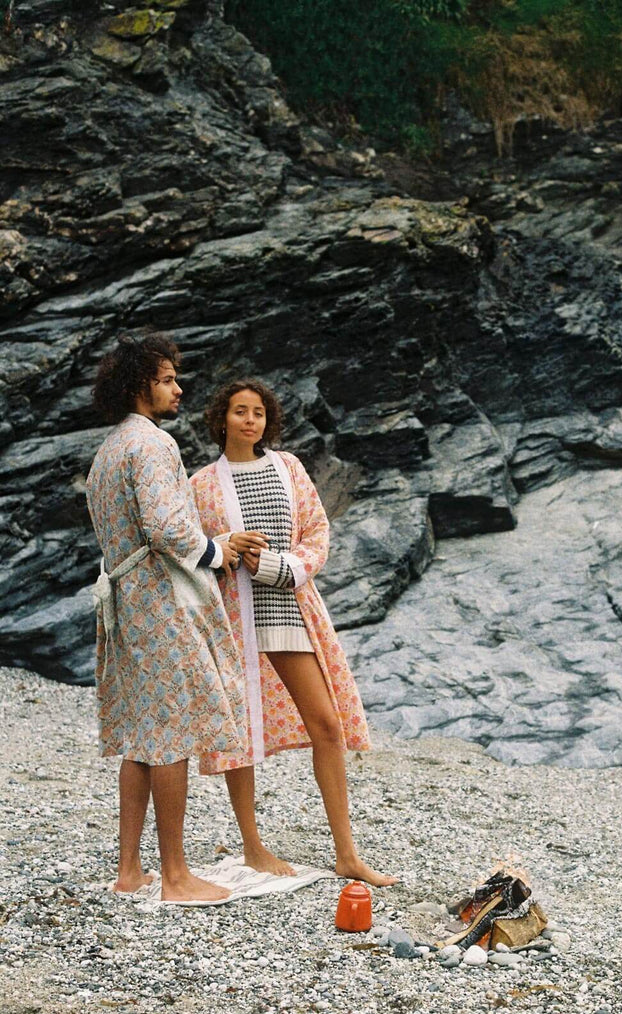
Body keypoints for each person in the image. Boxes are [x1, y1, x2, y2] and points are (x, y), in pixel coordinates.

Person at [86, 334, 288, 904]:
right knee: (170, 734)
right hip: (159, 602)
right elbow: (167, 529)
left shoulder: (109, 448)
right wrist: (219, 551)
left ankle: (130, 872)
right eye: (169, 378)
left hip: (125, 599)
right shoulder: (151, 445)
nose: (179, 388)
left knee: (142, 736)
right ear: (139, 385)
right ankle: (175, 877)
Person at [190, 380, 397, 886]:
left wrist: (278, 567)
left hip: (288, 608)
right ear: (222, 419)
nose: (250, 420)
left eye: (258, 412)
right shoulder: (200, 485)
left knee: (326, 725)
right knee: (238, 733)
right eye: (240, 411)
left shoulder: (289, 467)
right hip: (234, 618)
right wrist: (223, 544)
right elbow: (189, 549)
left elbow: (318, 534)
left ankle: (346, 853)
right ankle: (252, 847)